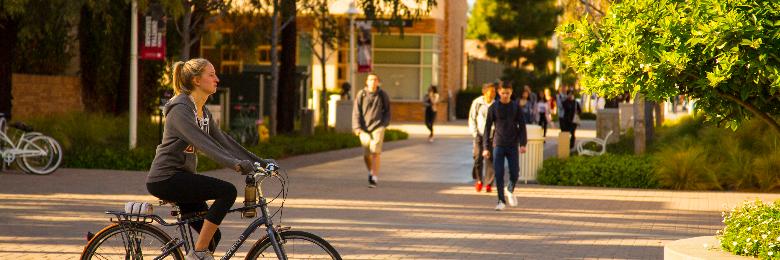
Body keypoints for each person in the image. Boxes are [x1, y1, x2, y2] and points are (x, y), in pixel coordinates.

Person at [146, 58, 267, 260]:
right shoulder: (180, 110)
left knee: (212, 236)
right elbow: (204, 143)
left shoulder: (201, 111)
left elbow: (225, 141)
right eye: (211, 75)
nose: (217, 79)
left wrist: (260, 162)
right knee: (227, 192)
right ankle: (199, 253)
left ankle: (200, 251)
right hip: (166, 178)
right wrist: (236, 165)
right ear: (196, 80)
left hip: (182, 178)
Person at [483, 81, 528, 211]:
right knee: (499, 173)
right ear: (499, 92)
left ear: (511, 92)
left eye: (507, 93)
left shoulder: (515, 107)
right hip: (498, 144)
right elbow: (487, 128)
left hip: (513, 144)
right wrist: (486, 147)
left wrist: (523, 143)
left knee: (515, 173)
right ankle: (501, 201)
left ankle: (510, 189)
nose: (505, 95)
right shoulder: (494, 108)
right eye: (503, 93)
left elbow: (522, 126)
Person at [352, 73, 391, 188]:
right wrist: (357, 127)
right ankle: (370, 172)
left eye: (375, 80)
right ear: (366, 82)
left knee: (375, 151)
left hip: (378, 126)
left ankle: (374, 177)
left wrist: (384, 124)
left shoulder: (382, 95)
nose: (372, 82)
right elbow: (356, 111)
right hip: (364, 128)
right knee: (366, 154)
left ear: (378, 82)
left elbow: (387, 111)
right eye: (370, 80)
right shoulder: (361, 94)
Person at [468, 83, 496, 193]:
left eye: (494, 91)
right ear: (484, 92)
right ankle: (479, 180)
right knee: (477, 157)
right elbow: (472, 118)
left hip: (491, 136)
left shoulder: (496, 104)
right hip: (478, 134)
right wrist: (475, 134)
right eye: (491, 91)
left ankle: (489, 183)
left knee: (490, 160)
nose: (493, 93)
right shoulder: (477, 103)